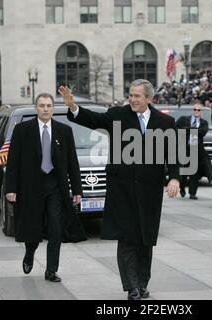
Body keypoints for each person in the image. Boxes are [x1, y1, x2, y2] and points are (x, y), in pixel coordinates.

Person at [60, 79, 180, 300]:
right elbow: (93, 119)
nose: (132, 99)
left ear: (149, 98)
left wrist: (174, 178)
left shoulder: (165, 121)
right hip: (122, 188)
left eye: (137, 96)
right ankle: (132, 286)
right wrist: (73, 107)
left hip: (150, 190)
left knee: (146, 238)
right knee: (127, 237)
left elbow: (171, 154)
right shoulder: (117, 115)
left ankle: (143, 283)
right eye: (131, 95)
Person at [5, 93, 86, 283]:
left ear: (53, 108)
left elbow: (72, 163)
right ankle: (29, 252)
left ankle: (51, 270)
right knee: (32, 228)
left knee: (56, 229)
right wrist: (11, 188)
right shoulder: (22, 130)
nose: (46, 109)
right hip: (30, 186)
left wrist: (77, 190)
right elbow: (13, 161)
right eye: (42, 105)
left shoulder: (64, 131)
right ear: (36, 108)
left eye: (49, 105)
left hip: (55, 186)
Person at [176, 102, 210, 199]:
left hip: (196, 151)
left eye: (198, 110)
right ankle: (182, 188)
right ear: (192, 110)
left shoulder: (203, 122)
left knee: (195, 173)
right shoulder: (184, 119)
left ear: (201, 112)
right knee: (183, 172)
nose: (196, 111)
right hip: (184, 149)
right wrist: (192, 129)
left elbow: (202, 132)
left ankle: (192, 193)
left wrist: (189, 129)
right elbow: (176, 128)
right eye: (195, 109)